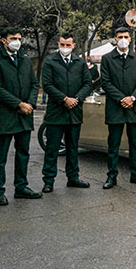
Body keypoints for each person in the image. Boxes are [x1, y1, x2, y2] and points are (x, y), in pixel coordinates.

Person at [0, 27, 42, 205]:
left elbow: (34, 84)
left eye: (19, 38)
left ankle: (21, 187)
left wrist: (30, 103)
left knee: (23, 153)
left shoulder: (24, 59)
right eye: (13, 38)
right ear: (4, 41)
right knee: (0, 156)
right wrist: (19, 104)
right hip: (5, 115)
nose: (17, 41)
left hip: (25, 115)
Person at [40, 33, 94, 193]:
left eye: (68, 45)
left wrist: (77, 99)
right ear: (58, 44)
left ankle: (73, 178)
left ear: (73, 46)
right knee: (52, 148)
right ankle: (48, 180)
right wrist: (64, 99)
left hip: (74, 112)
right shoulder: (50, 61)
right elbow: (47, 84)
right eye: (62, 45)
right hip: (56, 112)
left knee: (73, 147)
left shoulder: (80, 62)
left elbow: (87, 83)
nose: (65, 48)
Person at [100, 27, 136, 189]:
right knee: (113, 143)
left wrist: (133, 98)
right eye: (120, 36)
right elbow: (106, 82)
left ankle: (135, 174)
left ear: (130, 38)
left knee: (134, 142)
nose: (123, 39)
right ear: (115, 39)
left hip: (133, 107)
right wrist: (121, 98)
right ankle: (111, 175)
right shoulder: (107, 59)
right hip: (115, 107)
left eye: (125, 36)